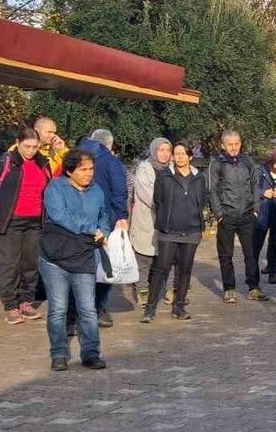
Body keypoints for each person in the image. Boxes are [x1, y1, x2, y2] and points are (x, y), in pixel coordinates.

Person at [39, 149, 111, 370]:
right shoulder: (55, 188)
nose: (89, 174)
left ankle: (90, 353)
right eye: (83, 169)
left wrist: (103, 231)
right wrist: (91, 229)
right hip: (55, 257)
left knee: (88, 308)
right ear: (70, 171)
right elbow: (60, 216)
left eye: (91, 169)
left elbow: (103, 216)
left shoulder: (97, 191)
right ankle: (59, 354)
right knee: (58, 308)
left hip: (84, 256)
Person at [0, 128, 51, 326]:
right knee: (9, 265)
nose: (30, 150)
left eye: (35, 147)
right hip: (9, 221)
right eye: (27, 146)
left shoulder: (42, 163)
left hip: (35, 222)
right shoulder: (4, 162)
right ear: (18, 142)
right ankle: (11, 305)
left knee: (30, 264)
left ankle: (26, 302)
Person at [140, 142, 206, 323]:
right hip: (168, 230)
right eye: (176, 153)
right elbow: (158, 200)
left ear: (190, 156)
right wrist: (166, 218)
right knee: (161, 268)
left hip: (192, 231)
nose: (180, 156)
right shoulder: (164, 176)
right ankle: (150, 308)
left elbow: (202, 201)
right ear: (172, 157)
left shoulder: (199, 177)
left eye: (183, 153)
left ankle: (179, 306)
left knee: (185, 270)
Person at [208, 130, 268, 304]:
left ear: (241, 143)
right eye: (230, 144)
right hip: (227, 215)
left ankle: (254, 287)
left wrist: (256, 209)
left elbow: (256, 186)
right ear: (223, 145)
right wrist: (219, 213)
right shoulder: (216, 163)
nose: (234, 147)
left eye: (237, 143)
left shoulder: (247, 162)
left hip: (247, 215)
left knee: (251, 254)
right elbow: (212, 190)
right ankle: (229, 289)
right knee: (226, 255)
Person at [77, 129, 129, 326]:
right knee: (104, 266)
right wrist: (122, 216)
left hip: (75, 219)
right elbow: (119, 190)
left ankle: (75, 314)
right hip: (103, 220)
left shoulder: (73, 156)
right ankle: (99, 309)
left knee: (77, 266)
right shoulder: (111, 161)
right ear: (110, 144)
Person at [128, 138, 171, 308]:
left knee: (168, 257)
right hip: (148, 219)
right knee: (144, 258)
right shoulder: (144, 169)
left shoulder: (173, 169)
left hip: (169, 221)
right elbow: (149, 196)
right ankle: (142, 291)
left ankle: (169, 289)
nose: (164, 154)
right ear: (153, 151)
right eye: (161, 150)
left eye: (167, 150)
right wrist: (171, 206)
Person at [254, 151, 276, 284]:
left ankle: (272, 272)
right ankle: (253, 273)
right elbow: (253, 188)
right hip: (262, 212)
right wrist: (263, 193)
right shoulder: (260, 171)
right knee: (256, 244)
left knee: (275, 245)